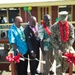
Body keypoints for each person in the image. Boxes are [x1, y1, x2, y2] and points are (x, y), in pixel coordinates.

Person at [50, 11, 75, 75]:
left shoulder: (70, 26)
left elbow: (72, 37)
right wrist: (58, 48)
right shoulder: (54, 27)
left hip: (66, 49)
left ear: (67, 18)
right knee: (59, 66)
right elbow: (52, 39)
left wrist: (68, 47)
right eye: (61, 20)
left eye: (64, 20)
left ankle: (62, 72)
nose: (63, 21)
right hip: (58, 50)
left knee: (65, 65)